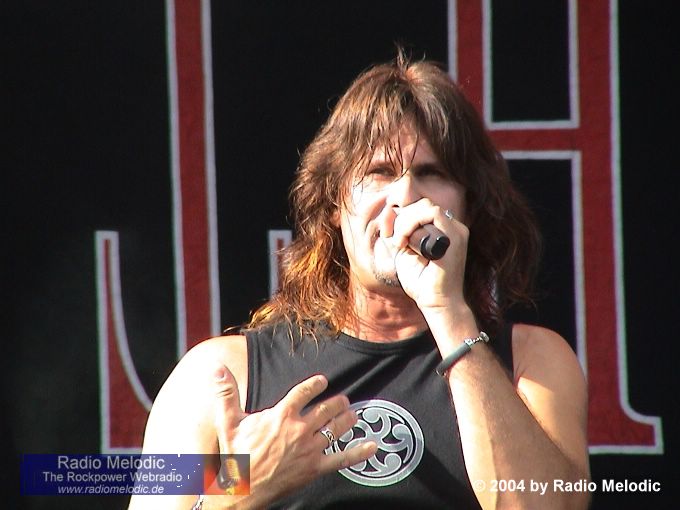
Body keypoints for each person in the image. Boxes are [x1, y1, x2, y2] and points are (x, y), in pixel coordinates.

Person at [129, 50, 590, 509]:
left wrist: (448, 313)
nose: (405, 196)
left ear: (469, 207)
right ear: (334, 204)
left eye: (431, 173)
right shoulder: (222, 375)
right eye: (379, 172)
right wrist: (237, 491)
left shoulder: (531, 363)